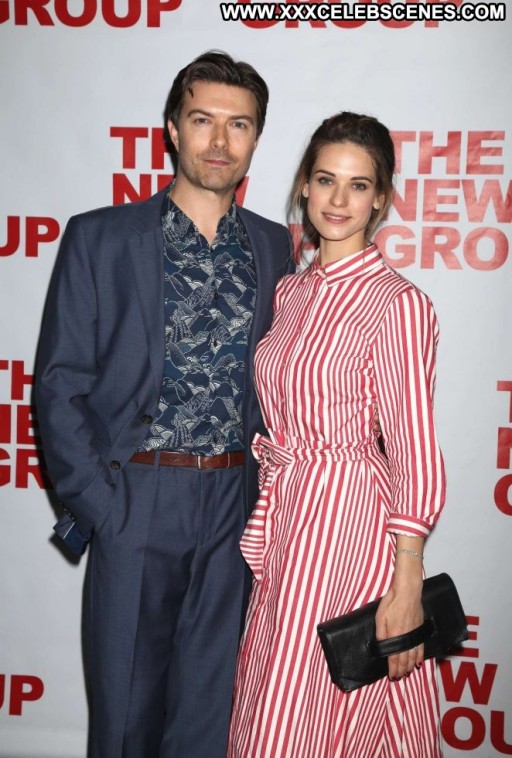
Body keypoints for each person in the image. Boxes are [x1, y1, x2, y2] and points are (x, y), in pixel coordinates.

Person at [35, 51, 292, 758]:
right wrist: (102, 506)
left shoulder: (275, 246)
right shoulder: (100, 237)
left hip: (237, 504)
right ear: (173, 129)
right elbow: (59, 382)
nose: (220, 140)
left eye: (239, 124)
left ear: (256, 138)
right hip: (138, 495)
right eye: (203, 120)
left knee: (212, 717)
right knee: (127, 718)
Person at [228, 112, 446, 757]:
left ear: (380, 198)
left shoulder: (397, 303)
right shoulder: (291, 292)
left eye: (359, 185)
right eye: (326, 180)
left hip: (350, 522)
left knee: (318, 703)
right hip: (288, 515)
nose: (338, 200)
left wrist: (407, 582)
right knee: (278, 689)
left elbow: (414, 448)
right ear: (305, 185)